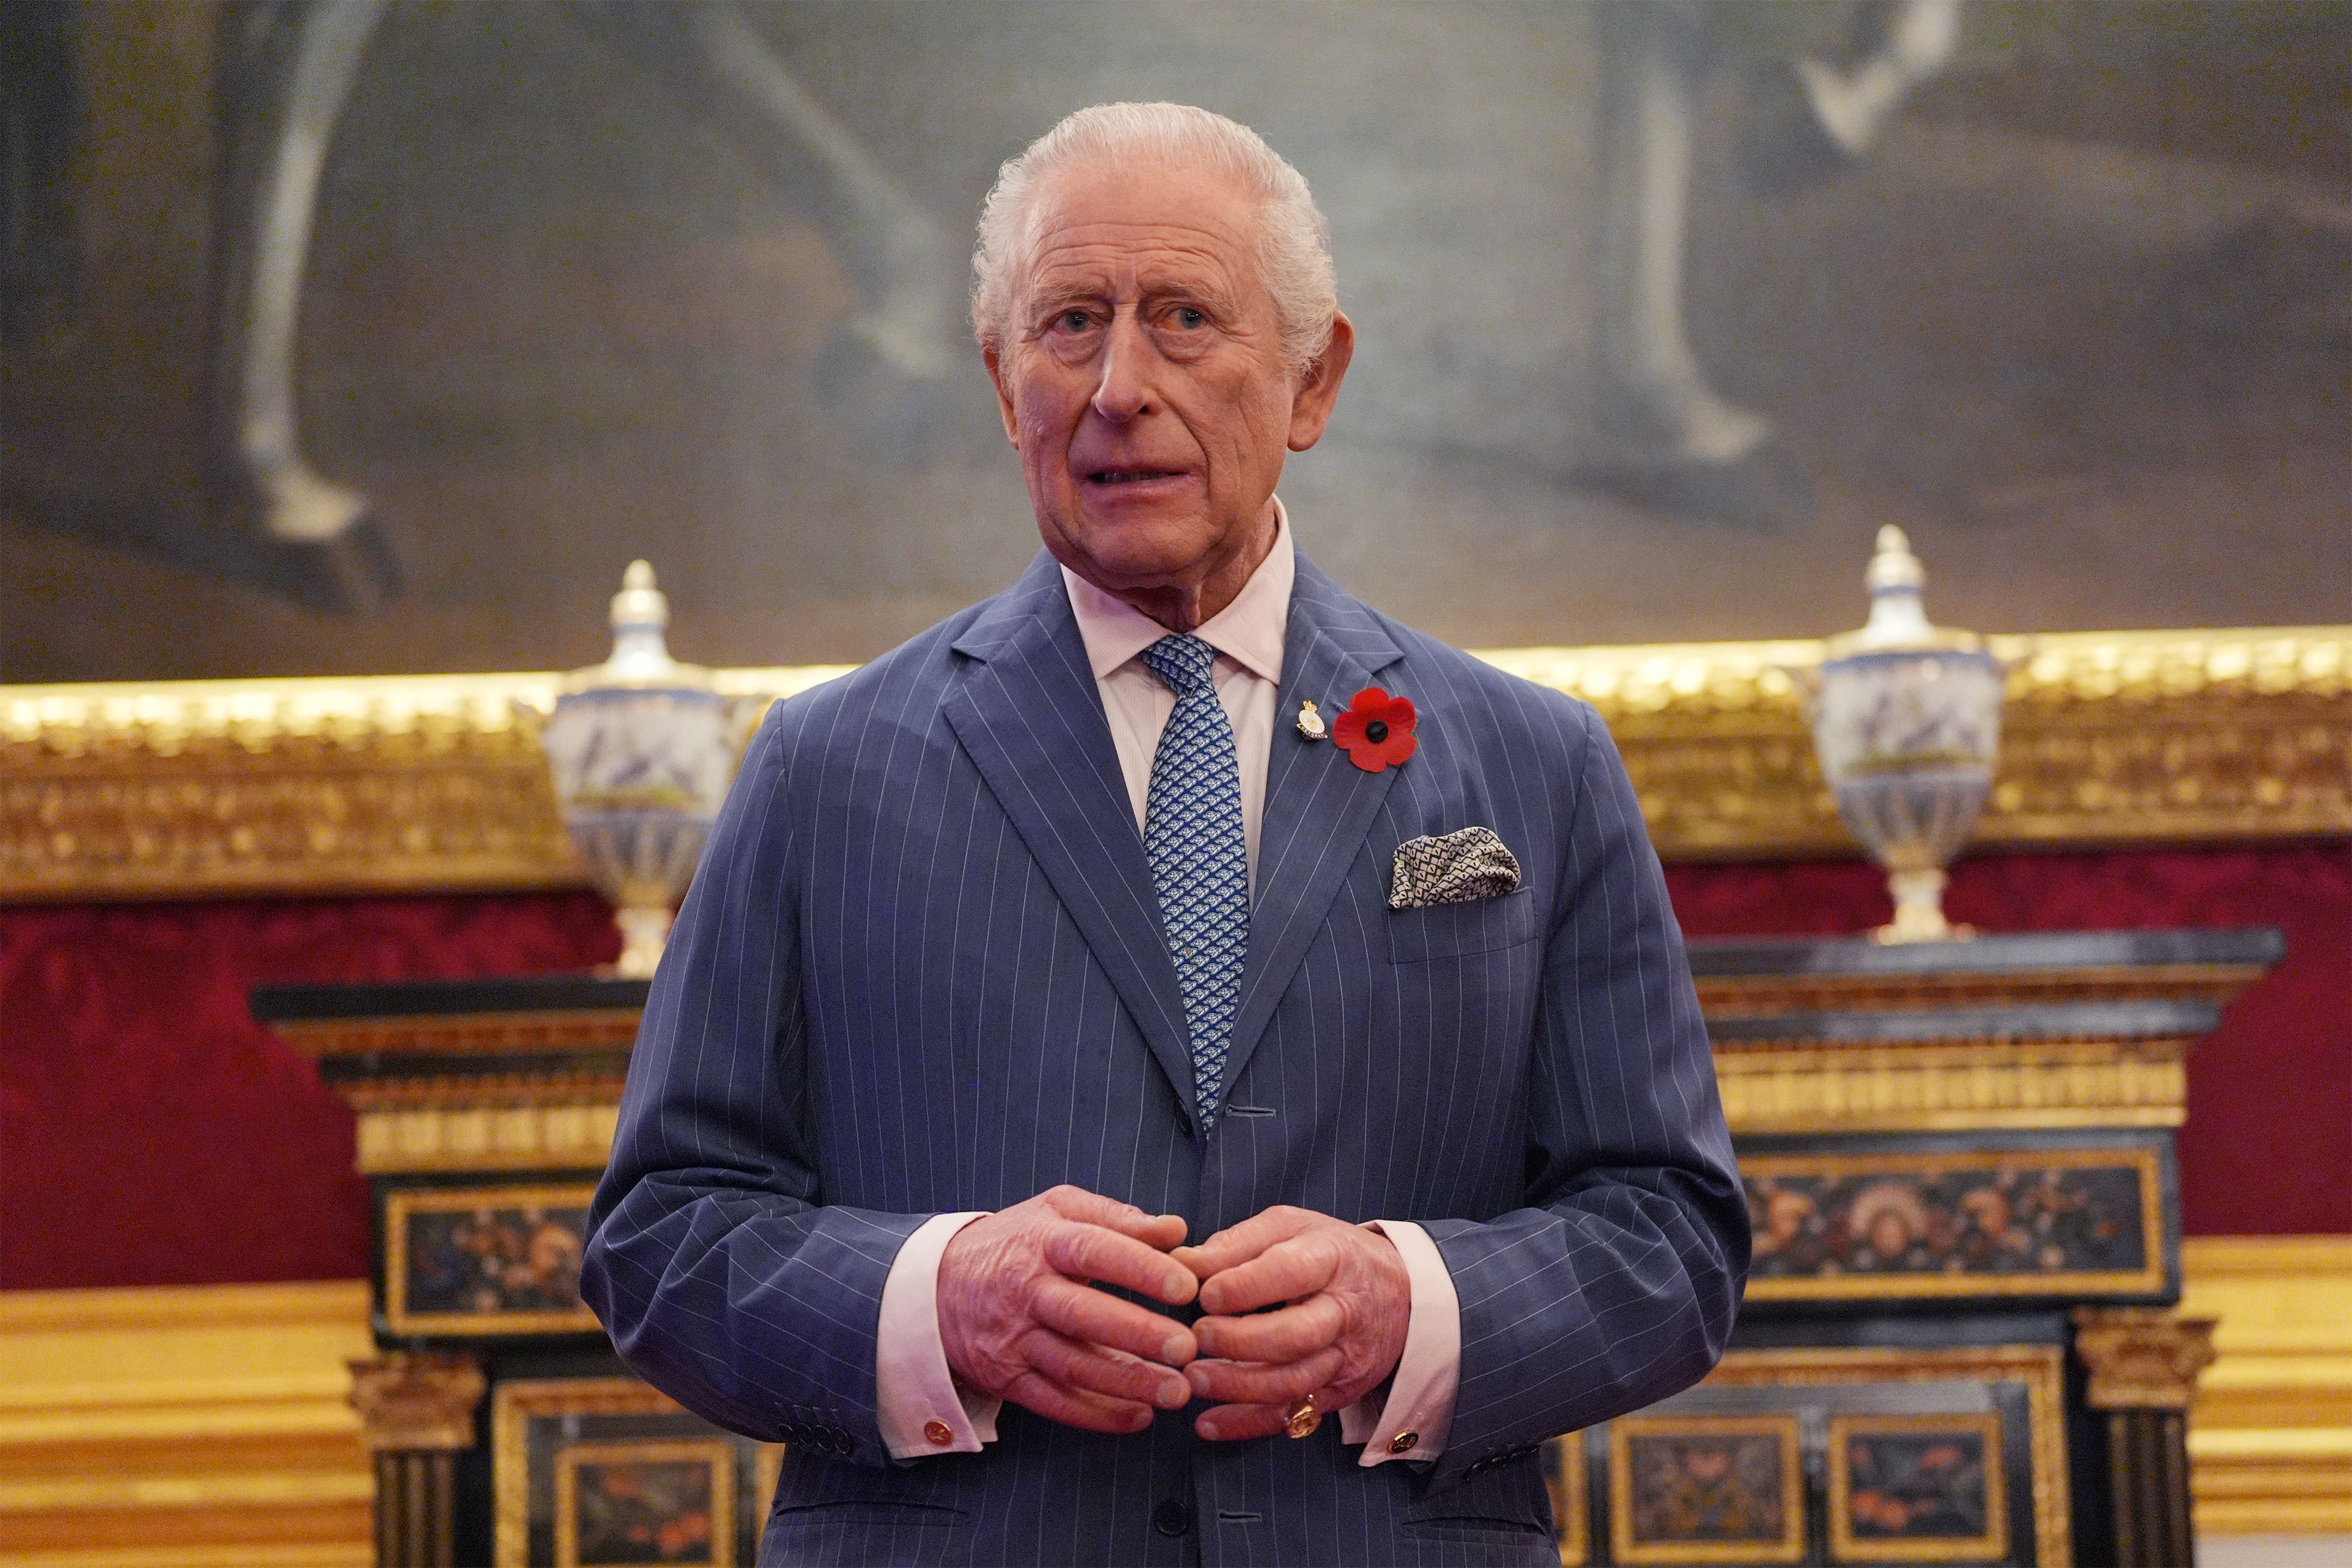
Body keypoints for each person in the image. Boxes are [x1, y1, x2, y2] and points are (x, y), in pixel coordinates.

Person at [583, 101, 1749, 1567]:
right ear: (1003, 386)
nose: (1119, 385)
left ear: (1311, 380)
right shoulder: (823, 768)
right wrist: (938, 1300)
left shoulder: (1532, 764)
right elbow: (662, 1241)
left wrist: (1406, 1304)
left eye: (1185, 318)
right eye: (1068, 324)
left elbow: (1671, 1243)